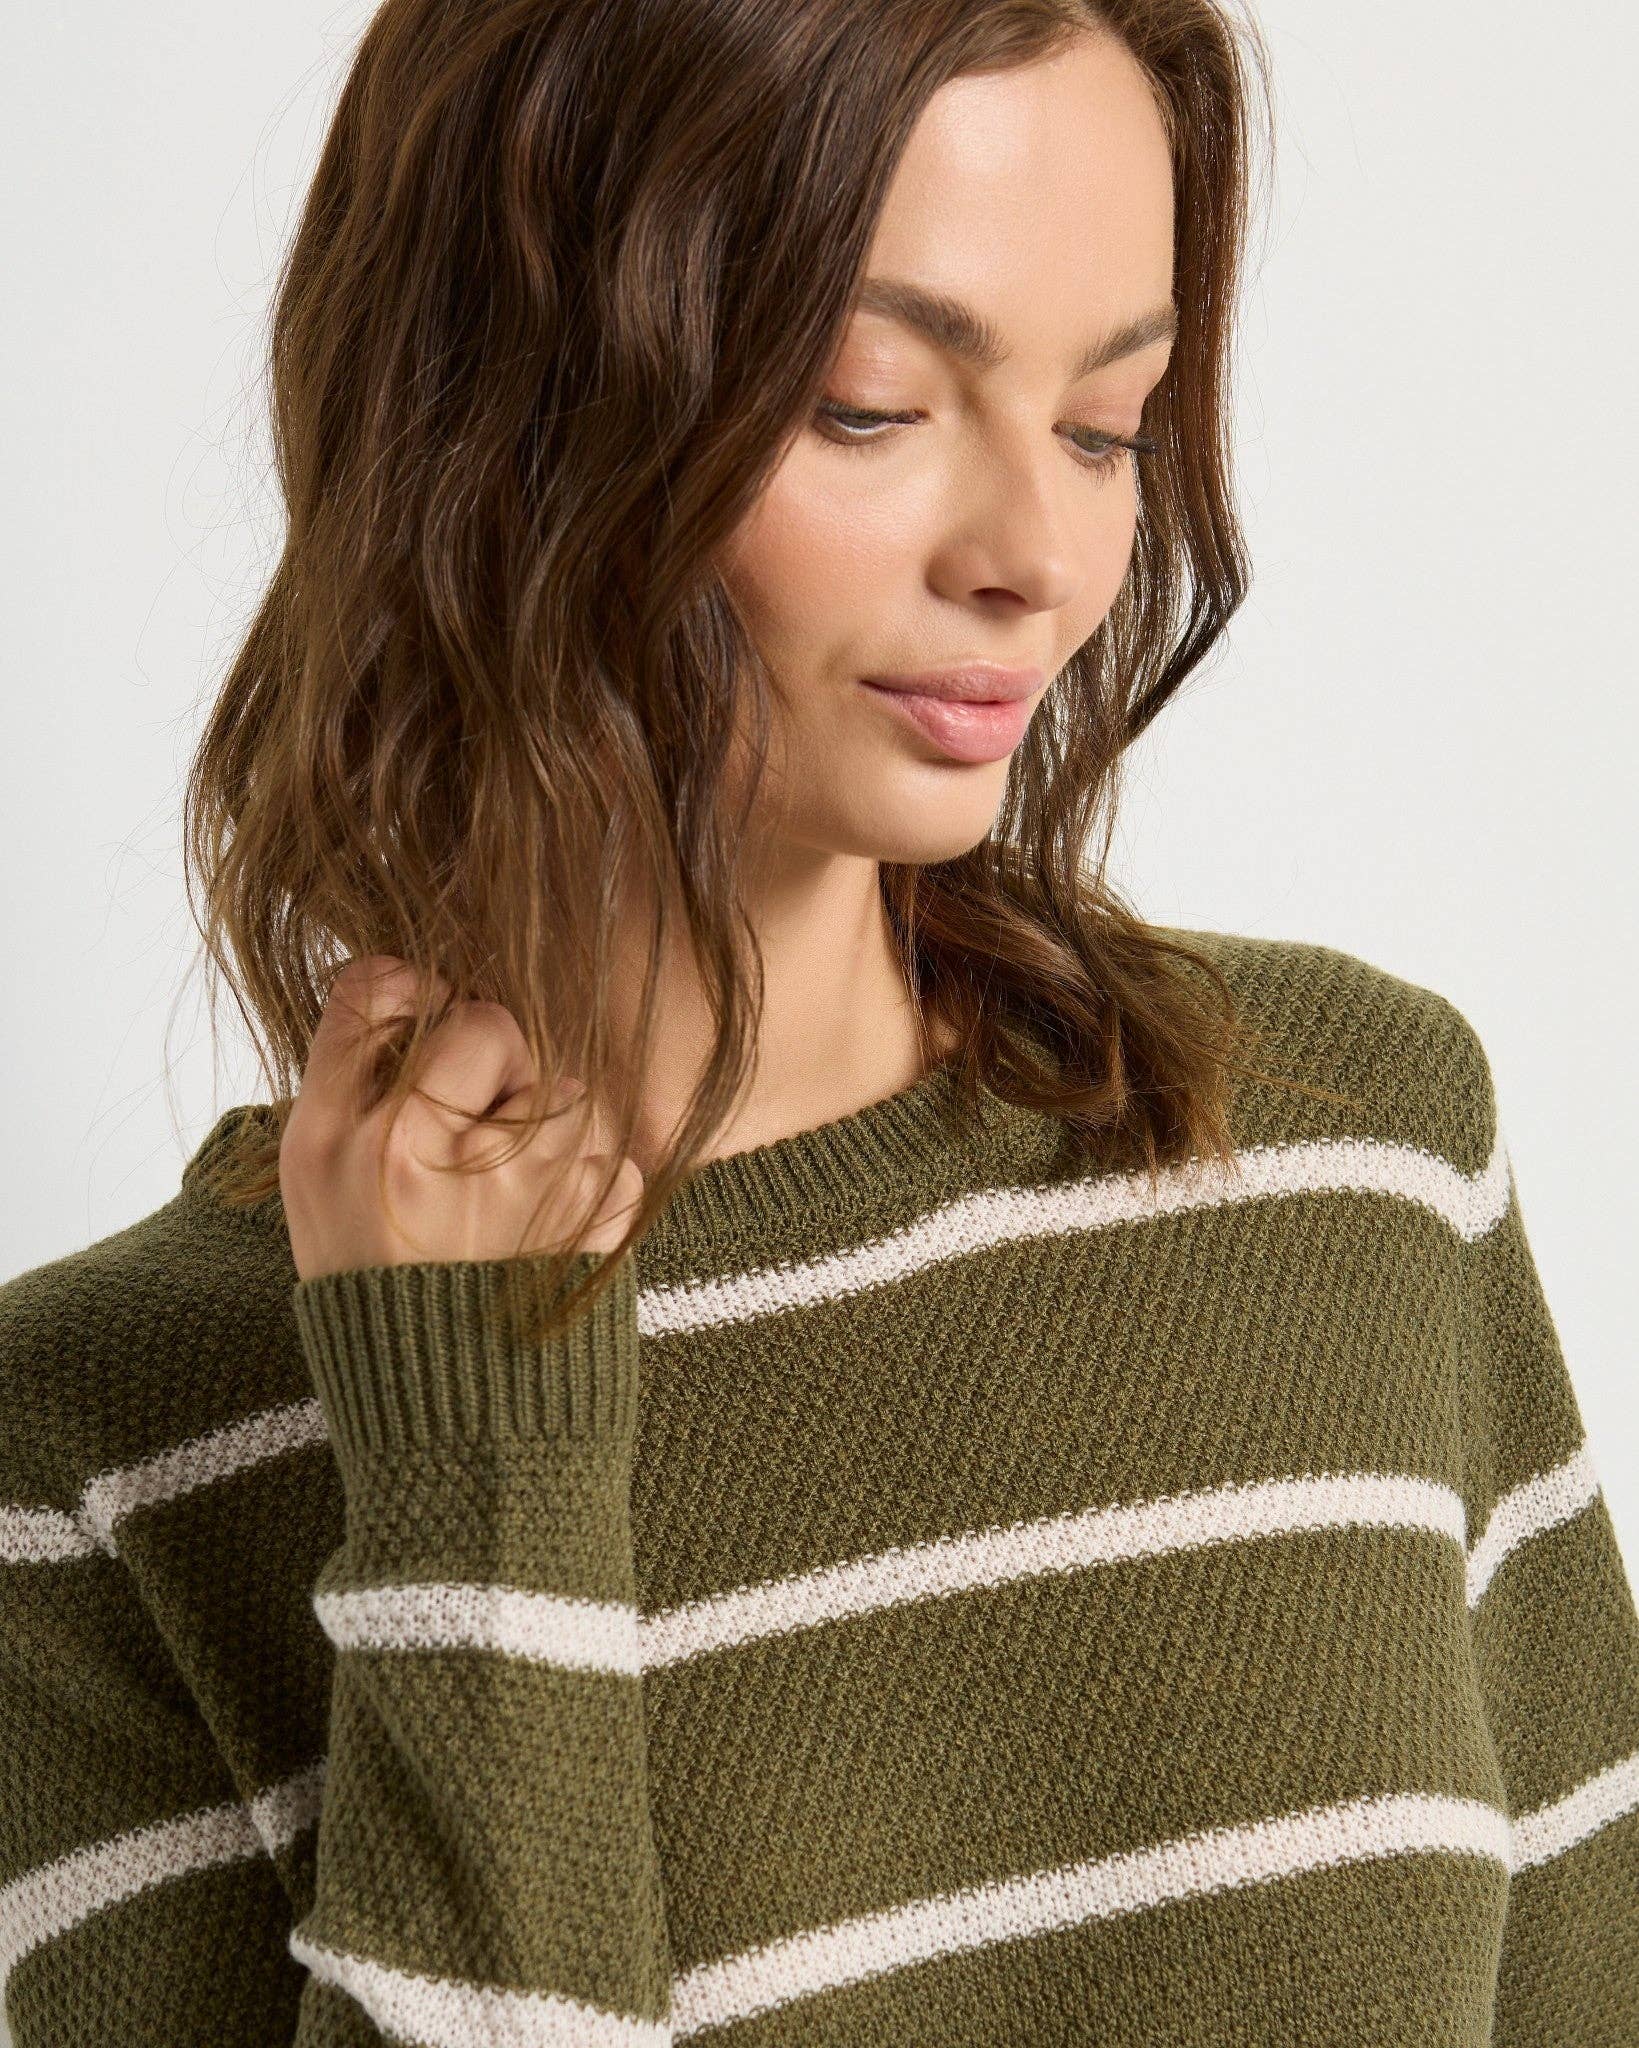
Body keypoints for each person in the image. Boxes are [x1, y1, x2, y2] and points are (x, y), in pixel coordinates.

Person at [3, 0, 1635, 2041]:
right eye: (870, 405)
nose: (1036, 559)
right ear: (504, 412)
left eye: (1105, 428)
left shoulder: (1356, 1152)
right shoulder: (102, 1439)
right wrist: (470, 1468)